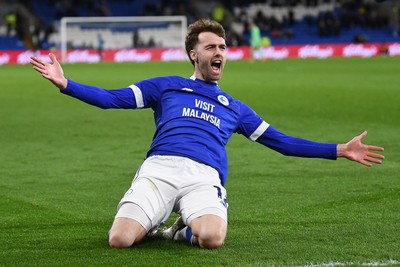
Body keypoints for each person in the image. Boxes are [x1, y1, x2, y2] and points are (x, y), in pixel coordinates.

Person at [29, 18, 384, 250]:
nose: (220, 53)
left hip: (204, 176)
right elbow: (112, 98)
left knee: (212, 238)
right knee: (119, 240)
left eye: (224, 47)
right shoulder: (166, 87)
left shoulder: (235, 107)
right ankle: (156, 219)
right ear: (193, 54)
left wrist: (339, 149)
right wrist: (66, 84)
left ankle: (179, 229)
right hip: (160, 169)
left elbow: (282, 142)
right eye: (212, 47)